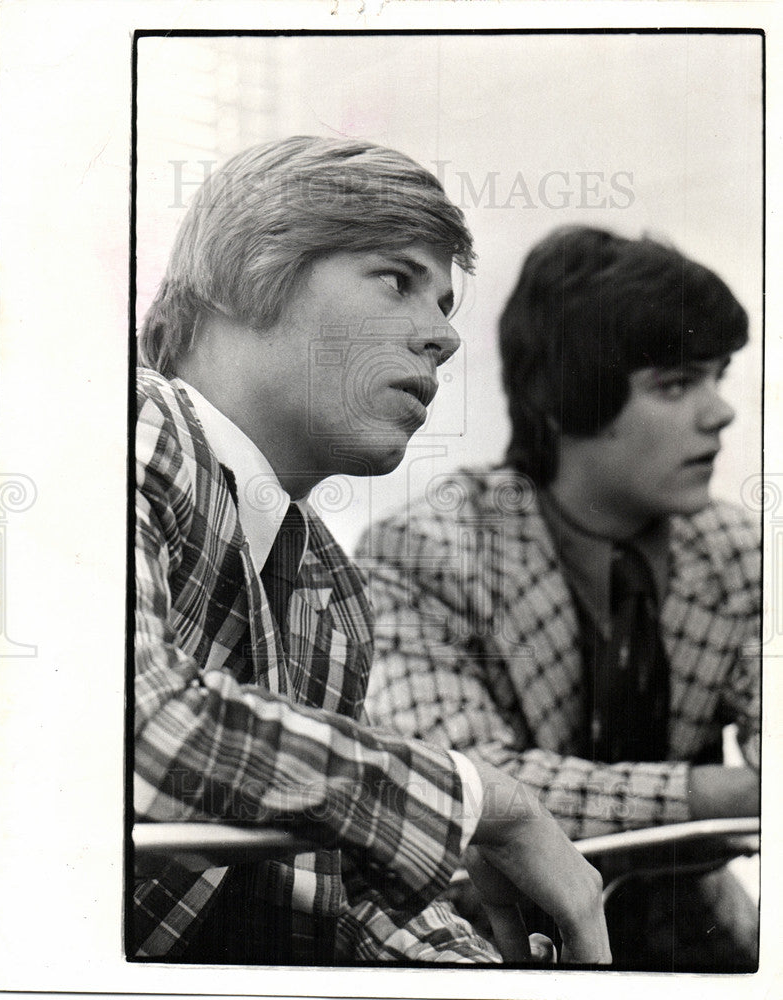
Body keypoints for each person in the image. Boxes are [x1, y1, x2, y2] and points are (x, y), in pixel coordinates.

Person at [131, 139, 611, 966]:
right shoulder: (129, 422)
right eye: (397, 279)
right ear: (251, 270)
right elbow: (135, 734)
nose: (444, 339)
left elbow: (326, 895)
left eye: (448, 306)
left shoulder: (329, 585)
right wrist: (483, 799)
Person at [357, 225, 760, 971]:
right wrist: (722, 794)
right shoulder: (428, 552)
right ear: (568, 401)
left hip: (693, 937)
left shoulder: (740, 551)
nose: (720, 413)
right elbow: (474, 784)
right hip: (483, 943)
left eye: (718, 376)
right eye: (676, 384)